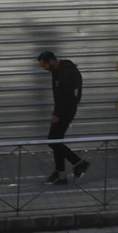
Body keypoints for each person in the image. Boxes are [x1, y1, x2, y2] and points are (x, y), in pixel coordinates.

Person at [36, 50, 89, 184]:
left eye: (45, 65)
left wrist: (57, 114)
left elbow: (68, 97)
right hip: (60, 110)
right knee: (55, 141)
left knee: (53, 141)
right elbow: (58, 97)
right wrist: (55, 112)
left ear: (52, 61)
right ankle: (60, 174)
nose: (45, 68)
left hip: (66, 111)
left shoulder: (67, 72)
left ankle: (79, 163)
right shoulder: (56, 71)